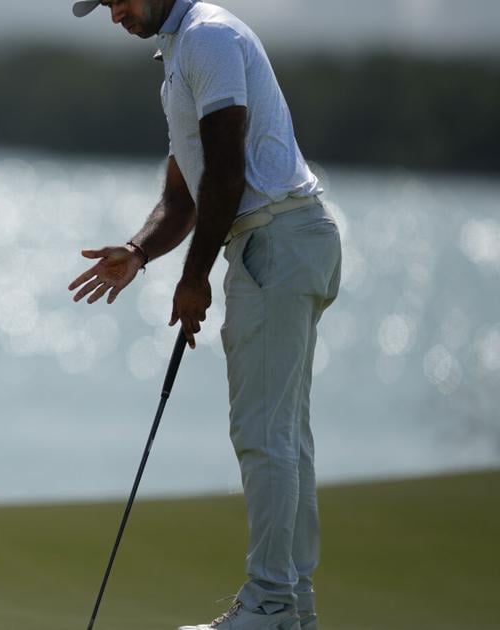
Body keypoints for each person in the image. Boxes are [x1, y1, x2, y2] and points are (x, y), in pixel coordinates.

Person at [66, 1, 342, 629]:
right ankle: (292, 609)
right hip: (284, 240)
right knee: (285, 438)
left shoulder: (208, 40)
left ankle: (272, 606)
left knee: (265, 436)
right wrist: (139, 253)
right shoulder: (180, 54)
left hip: (276, 238)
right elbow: (184, 192)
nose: (115, 15)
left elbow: (227, 170)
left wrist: (194, 277)